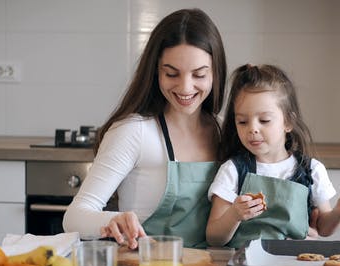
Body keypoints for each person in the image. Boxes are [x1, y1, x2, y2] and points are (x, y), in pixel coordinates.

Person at [63, 8, 227, 249]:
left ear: (215, 73)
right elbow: (74, 217)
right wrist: (113, 219)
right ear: (155, 71)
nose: (185, 87)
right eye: (172, 73)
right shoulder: (134, 131)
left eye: (199, 74)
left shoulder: (225, 131)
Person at [205, 64, 340, 248]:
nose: (252, 128)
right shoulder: (233, 170)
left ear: (288, 122)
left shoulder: (311, 170)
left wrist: (339, 212)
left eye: (264, 120)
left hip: (295, 265)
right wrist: (234, 214)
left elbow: (323, 229)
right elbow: (213, 237)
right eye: (242, 121)